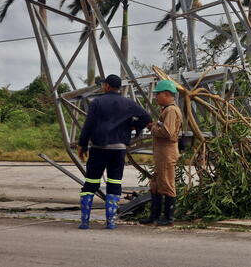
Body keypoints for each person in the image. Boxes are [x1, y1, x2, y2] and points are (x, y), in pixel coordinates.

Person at [77, 74, 151, 229]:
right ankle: (110, 222)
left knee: (90, 182)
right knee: (114, 182)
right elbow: (146, 117)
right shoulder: (128, 103)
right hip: (118, 149)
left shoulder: (97, 102)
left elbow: (88, 125)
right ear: (118, 88)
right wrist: (133, 126)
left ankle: (85, 222)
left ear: (107, 86)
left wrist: (82, 145)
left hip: (99, 148)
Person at [139, 80, 183, 226]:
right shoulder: (167, 109)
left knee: (167, 183)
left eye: (158, 94)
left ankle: (168, 217)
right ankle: (154, 216)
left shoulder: (171, 110)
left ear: (166, 94)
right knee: (156, 184)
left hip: (167, 153)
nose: (156, 97)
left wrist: (153, 128)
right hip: (162, 153)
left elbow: (168, 133)